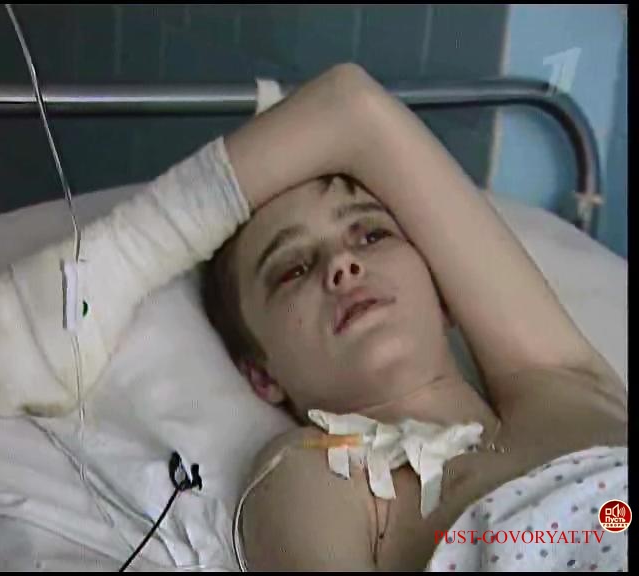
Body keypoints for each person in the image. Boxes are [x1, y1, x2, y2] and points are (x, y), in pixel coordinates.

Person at [200, 63, 627, 570]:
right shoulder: (318, 476)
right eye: (293, 269)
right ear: (262, 374)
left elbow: (354, 107)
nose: (343, 264)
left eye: (372, 235)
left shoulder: (569, 388)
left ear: (445, 293)